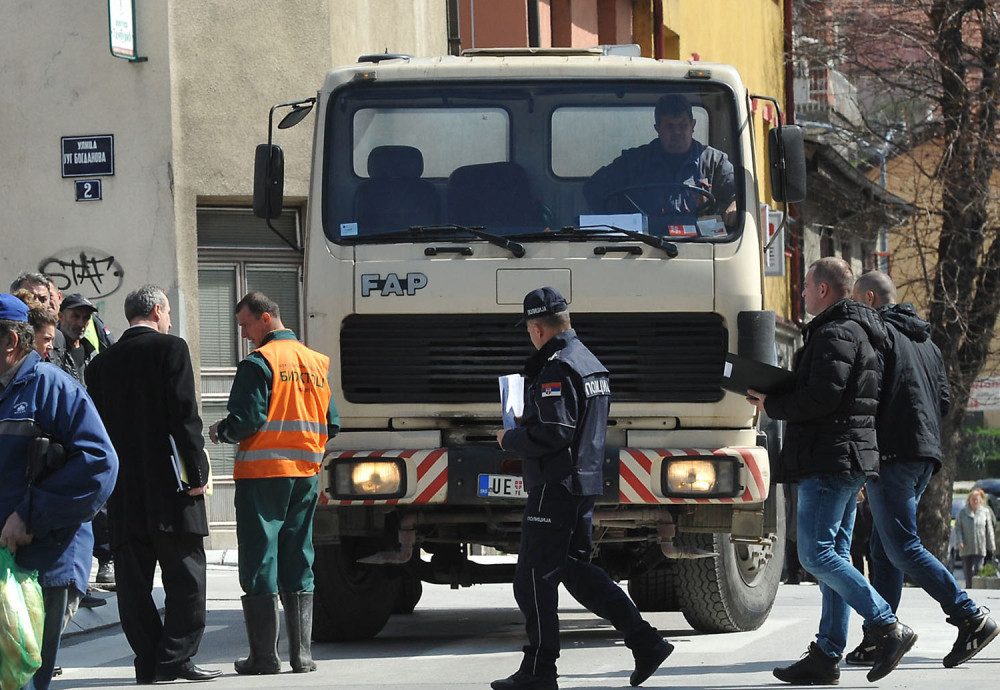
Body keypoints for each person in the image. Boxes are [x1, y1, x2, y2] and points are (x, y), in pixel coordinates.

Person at [492, 287, 672, 690]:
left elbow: (555, 430)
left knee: (532, 580)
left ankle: (539, 669)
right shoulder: (590, 363)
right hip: (582, 483)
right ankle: (646, 642)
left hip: (553, 486)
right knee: (576, 572)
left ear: (537, 328)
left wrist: (511, 439)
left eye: (529, 329)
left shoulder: (557, 368)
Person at [746, 258, 915, 685]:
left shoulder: (835, 332)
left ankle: (886, 625)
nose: (801, 291)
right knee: (836, 555)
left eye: (805, 285)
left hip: (830, 458)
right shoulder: (861, 331)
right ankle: (826, 654)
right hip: (846, 456)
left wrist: (773, 404)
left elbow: (822, 397)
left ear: (823, 290)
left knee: (815, 553)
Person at [846, 270, 998, 668]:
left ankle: (970, 616)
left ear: (870, 299)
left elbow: (868, 398)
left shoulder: (877, 334)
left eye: (857, 302)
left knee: (902, 547)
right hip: (924, 456)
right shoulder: (926, 341)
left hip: (894, 455)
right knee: (883, 549)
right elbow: (944, 401)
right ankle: (882, 635)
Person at [84, 285, 220, 684]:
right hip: (172, 486)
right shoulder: (171, 349)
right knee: (187, 577)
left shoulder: (100, 365)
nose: (171, 320)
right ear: (158, 310)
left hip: (124, 490)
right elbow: (184, 416)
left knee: (133, 582)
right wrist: (197, 475)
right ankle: (175, 659)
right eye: (169, 313)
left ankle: (147, 660)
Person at [209, 292, 339, 675]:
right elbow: (331, 423)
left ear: (266, 318)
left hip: (264, 476)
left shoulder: (259, 363)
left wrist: (221, 431)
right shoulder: (316, 362)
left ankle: (264, 657)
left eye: (247, 325)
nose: (245, 334)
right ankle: (303, 656)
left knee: (259, 556)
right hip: (305, 475)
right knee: (299, 553)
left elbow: (247, 419)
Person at [0, 293, 118, 690]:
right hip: (7, 562)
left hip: (45, 562)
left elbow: (100, 465)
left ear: (10, 342)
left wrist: (30, 515)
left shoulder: (53, 389)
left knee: (22, 678)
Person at [583, 94, 737, 230]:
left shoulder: (714, 162)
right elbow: (594, 188)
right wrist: (624, 221)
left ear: (693, 125)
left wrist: (735, 204)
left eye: (682, 125)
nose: (677, 132)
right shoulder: (635, 161)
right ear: (657, 128)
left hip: (704, 248)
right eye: (670, 126)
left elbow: (742, 192)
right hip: (643, 248)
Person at [955, 488, 997, 589]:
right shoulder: (962, 512)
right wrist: (959, 541)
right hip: (966, 547)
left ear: (980, 500)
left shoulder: (985, 512)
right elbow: (958, 528)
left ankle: (977, 589)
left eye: (977, 499)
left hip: (980, 545)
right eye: (973, 499)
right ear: (969, 499)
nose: (975, 501)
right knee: (968, 571)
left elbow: (989, 530)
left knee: (978, 569)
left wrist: (991, 545)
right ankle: (969, 588)